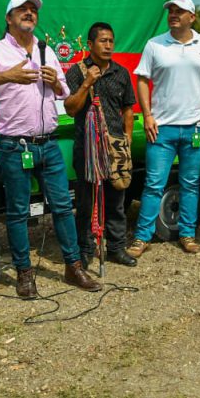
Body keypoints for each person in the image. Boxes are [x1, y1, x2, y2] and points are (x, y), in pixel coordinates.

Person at [0, 0, 101, 298]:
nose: (29, 13)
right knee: (17, 211)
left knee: (64, 207)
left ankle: (73, 266)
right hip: (15, 146)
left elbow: (64, 91)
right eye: (22, 10)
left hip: (48, 143)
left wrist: (56, 82)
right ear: (9, 18)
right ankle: (24, 272)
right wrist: (5, 76)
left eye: (33, 10)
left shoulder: (45, 50)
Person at [127, 0, 200, 258]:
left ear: (192, 17)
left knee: (190, 183)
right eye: (171, 11)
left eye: (179, 12)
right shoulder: (155, 45)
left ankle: (187, 234)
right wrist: (147, 115)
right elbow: (143, 80)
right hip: (162, 128)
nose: (173, 15)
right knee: (153, 184)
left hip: (195, 128)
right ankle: (141, 237)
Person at [64, 22, 138, 268]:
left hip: (115, 146)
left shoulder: (121, 73)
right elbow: (71, 108)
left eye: (111, 41)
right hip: (87, 148)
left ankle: (116, 248)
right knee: (86, 201)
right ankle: (84, 250)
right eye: (103, 41)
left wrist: (126, 138)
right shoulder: (76, 71)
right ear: (90, 44)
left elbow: (128, 109)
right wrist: (87, 83)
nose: (108, 45)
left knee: (117, 200)